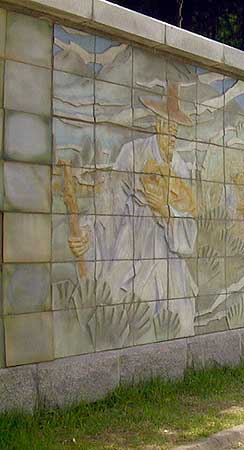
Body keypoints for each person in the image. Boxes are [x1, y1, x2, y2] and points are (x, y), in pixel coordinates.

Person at [68, 83, 199, 337]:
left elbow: (189, 217)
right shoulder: (132, 153)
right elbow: (109, 201)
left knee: (178, 317)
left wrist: (166, 211)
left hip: (168, 256)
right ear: (157, 124)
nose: (173, 137)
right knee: (127, 311)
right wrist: (86, 232)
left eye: (176, 131)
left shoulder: (180, 168)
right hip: (134, 241)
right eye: (168, 128)